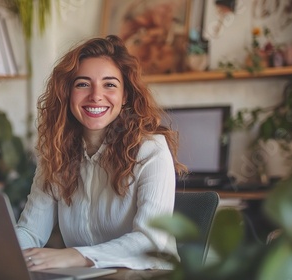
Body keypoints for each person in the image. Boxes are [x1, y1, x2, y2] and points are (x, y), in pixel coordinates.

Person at [15, 35, 186, 271]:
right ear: (68, 93)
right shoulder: (56, 152)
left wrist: (75, 256)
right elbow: (30, 231)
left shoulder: (150, 150)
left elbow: (151, 241)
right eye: (83, 84)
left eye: (109, 84)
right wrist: (0, 251)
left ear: (125, 95)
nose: (96, 95)